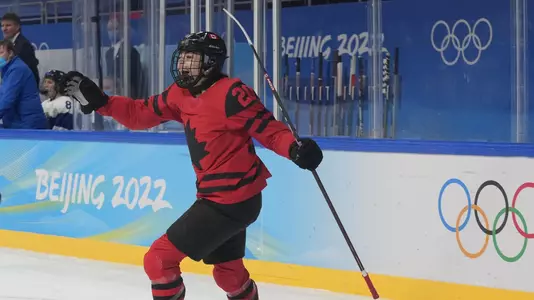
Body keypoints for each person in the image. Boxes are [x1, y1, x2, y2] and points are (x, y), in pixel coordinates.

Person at [63, 31, 323, 300]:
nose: (183, 64)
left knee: (158, 261)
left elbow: (269, 131)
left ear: (210, 61)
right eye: (182, 57)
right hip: (218, 198)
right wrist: (103, 103)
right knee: (228, 275)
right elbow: (139, 114)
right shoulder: (180, 94)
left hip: (231, 201)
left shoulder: (233, 93)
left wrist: (295, 148)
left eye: (191, 58)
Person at [0, 40, 47, 129]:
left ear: (10, 53)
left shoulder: (17, 69)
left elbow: (7, 99)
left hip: (27, 124)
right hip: (17, 122)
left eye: (1, 53)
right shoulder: (6, 70)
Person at [1, 13, 40, 86]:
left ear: (17, 26)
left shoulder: (24, 45)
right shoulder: (8, 43)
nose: (4, 29)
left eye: (8, 25)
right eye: (2, 25)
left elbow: (24, 72)